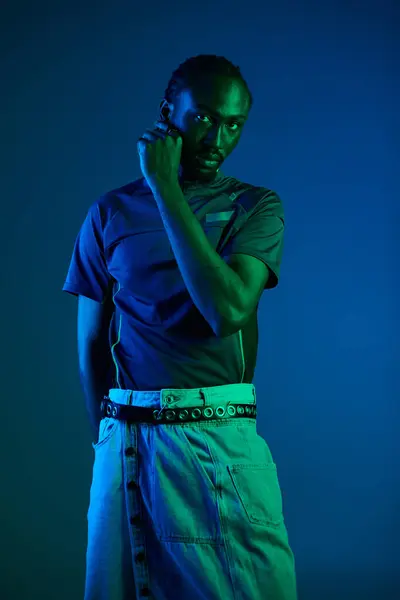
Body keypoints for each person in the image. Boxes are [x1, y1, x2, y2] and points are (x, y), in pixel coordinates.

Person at [62, 54, 297, 600]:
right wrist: (105, 437)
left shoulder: (255, 206)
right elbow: (92, 340)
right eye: (205, 118)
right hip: (124, 441)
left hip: (215, 436)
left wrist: (165, 186)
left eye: (235, 123)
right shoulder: (110, 212)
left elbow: (227, 310)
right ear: (170, 112)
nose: (219, 136)